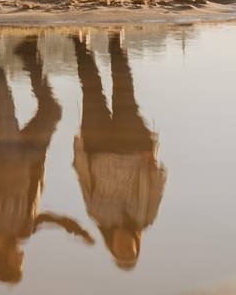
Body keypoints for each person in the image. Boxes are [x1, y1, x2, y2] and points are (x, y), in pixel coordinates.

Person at [0, 36, 92, 284]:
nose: (22, 258)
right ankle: (29, 55)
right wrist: (70, 226)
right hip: (29, 160)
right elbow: (43, 219)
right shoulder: (23, 232)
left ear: (4, 260)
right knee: (52, 111)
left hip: (2, 153)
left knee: (3, 97)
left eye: (17, 263)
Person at [71, 32, 167, 271]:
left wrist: (80, 153)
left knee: (91, 89)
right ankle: (115, 40)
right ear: (136, 243)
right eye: (129, 249)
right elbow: (157, 185)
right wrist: (152, 161)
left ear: (111, 245)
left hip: (97, 147)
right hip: (132, 146)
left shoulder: (97, 215)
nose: (124, 244)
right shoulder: (145, 217)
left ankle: (79, 43)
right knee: (124, 89)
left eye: (120, 250)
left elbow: (85, 182)